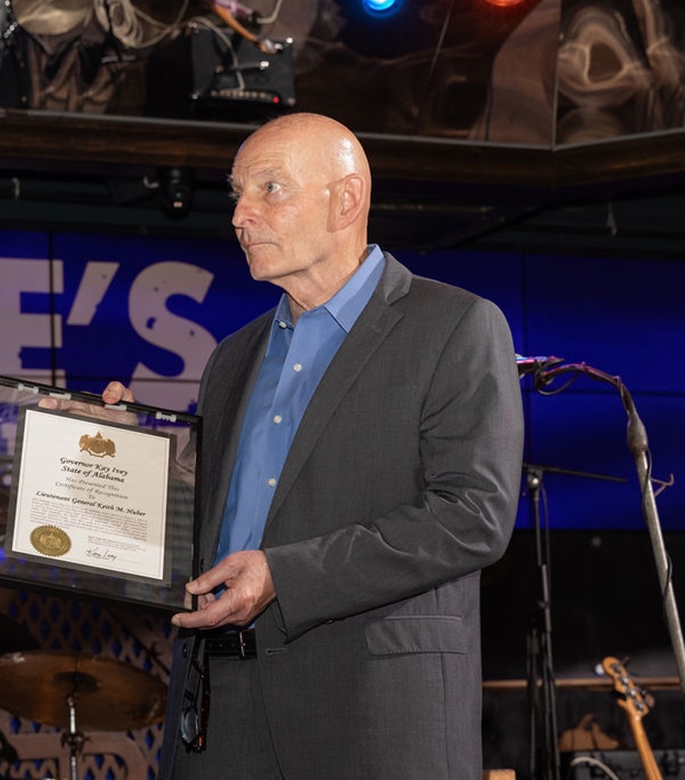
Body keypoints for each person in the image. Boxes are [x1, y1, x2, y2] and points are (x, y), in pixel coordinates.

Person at [103, 112, 524, 778]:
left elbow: (473, 517)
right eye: (236, 193)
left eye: (268, 189)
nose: (240, 215)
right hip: (219, 719)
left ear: (347, 199)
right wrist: (127, 461)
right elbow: (205, 530)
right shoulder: (230, 357)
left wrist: (285, 575)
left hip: (370, 717)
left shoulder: (455, 326)